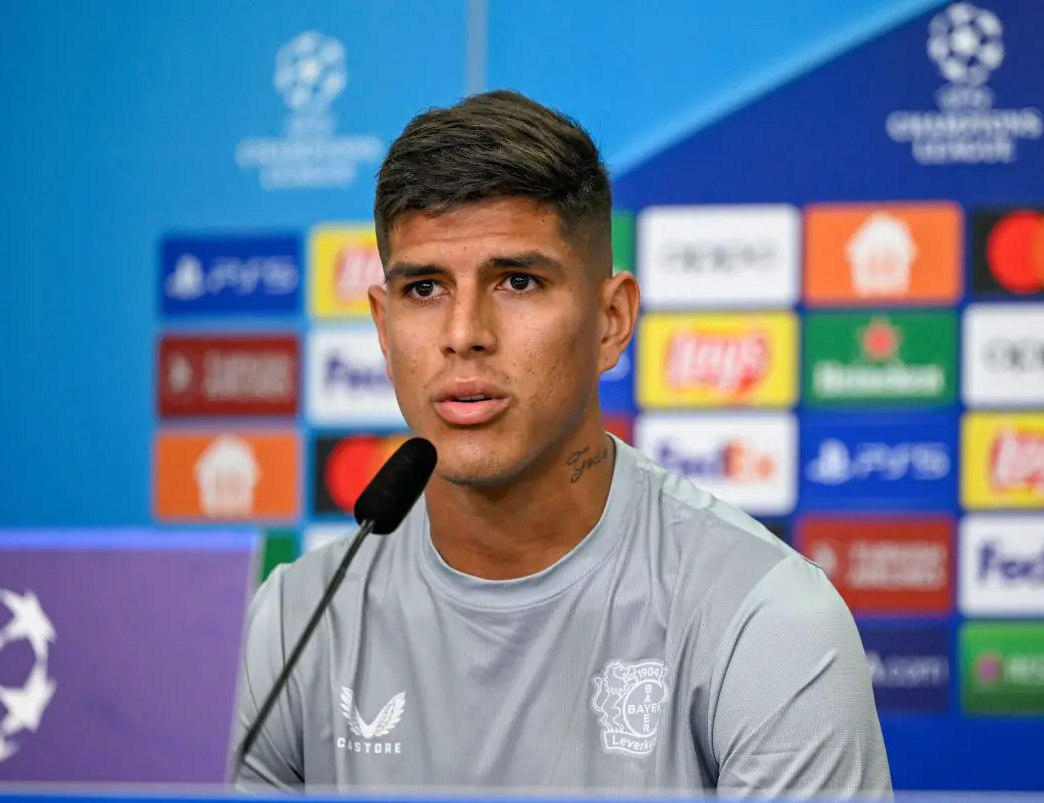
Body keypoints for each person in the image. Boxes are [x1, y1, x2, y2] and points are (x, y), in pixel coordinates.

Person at [232, 89, 892, 798]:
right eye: (424, 289)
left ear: (611, 321)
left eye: (517, 281)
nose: (464, 332)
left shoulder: (765, 620)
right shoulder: (291, 622)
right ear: (383, 327)